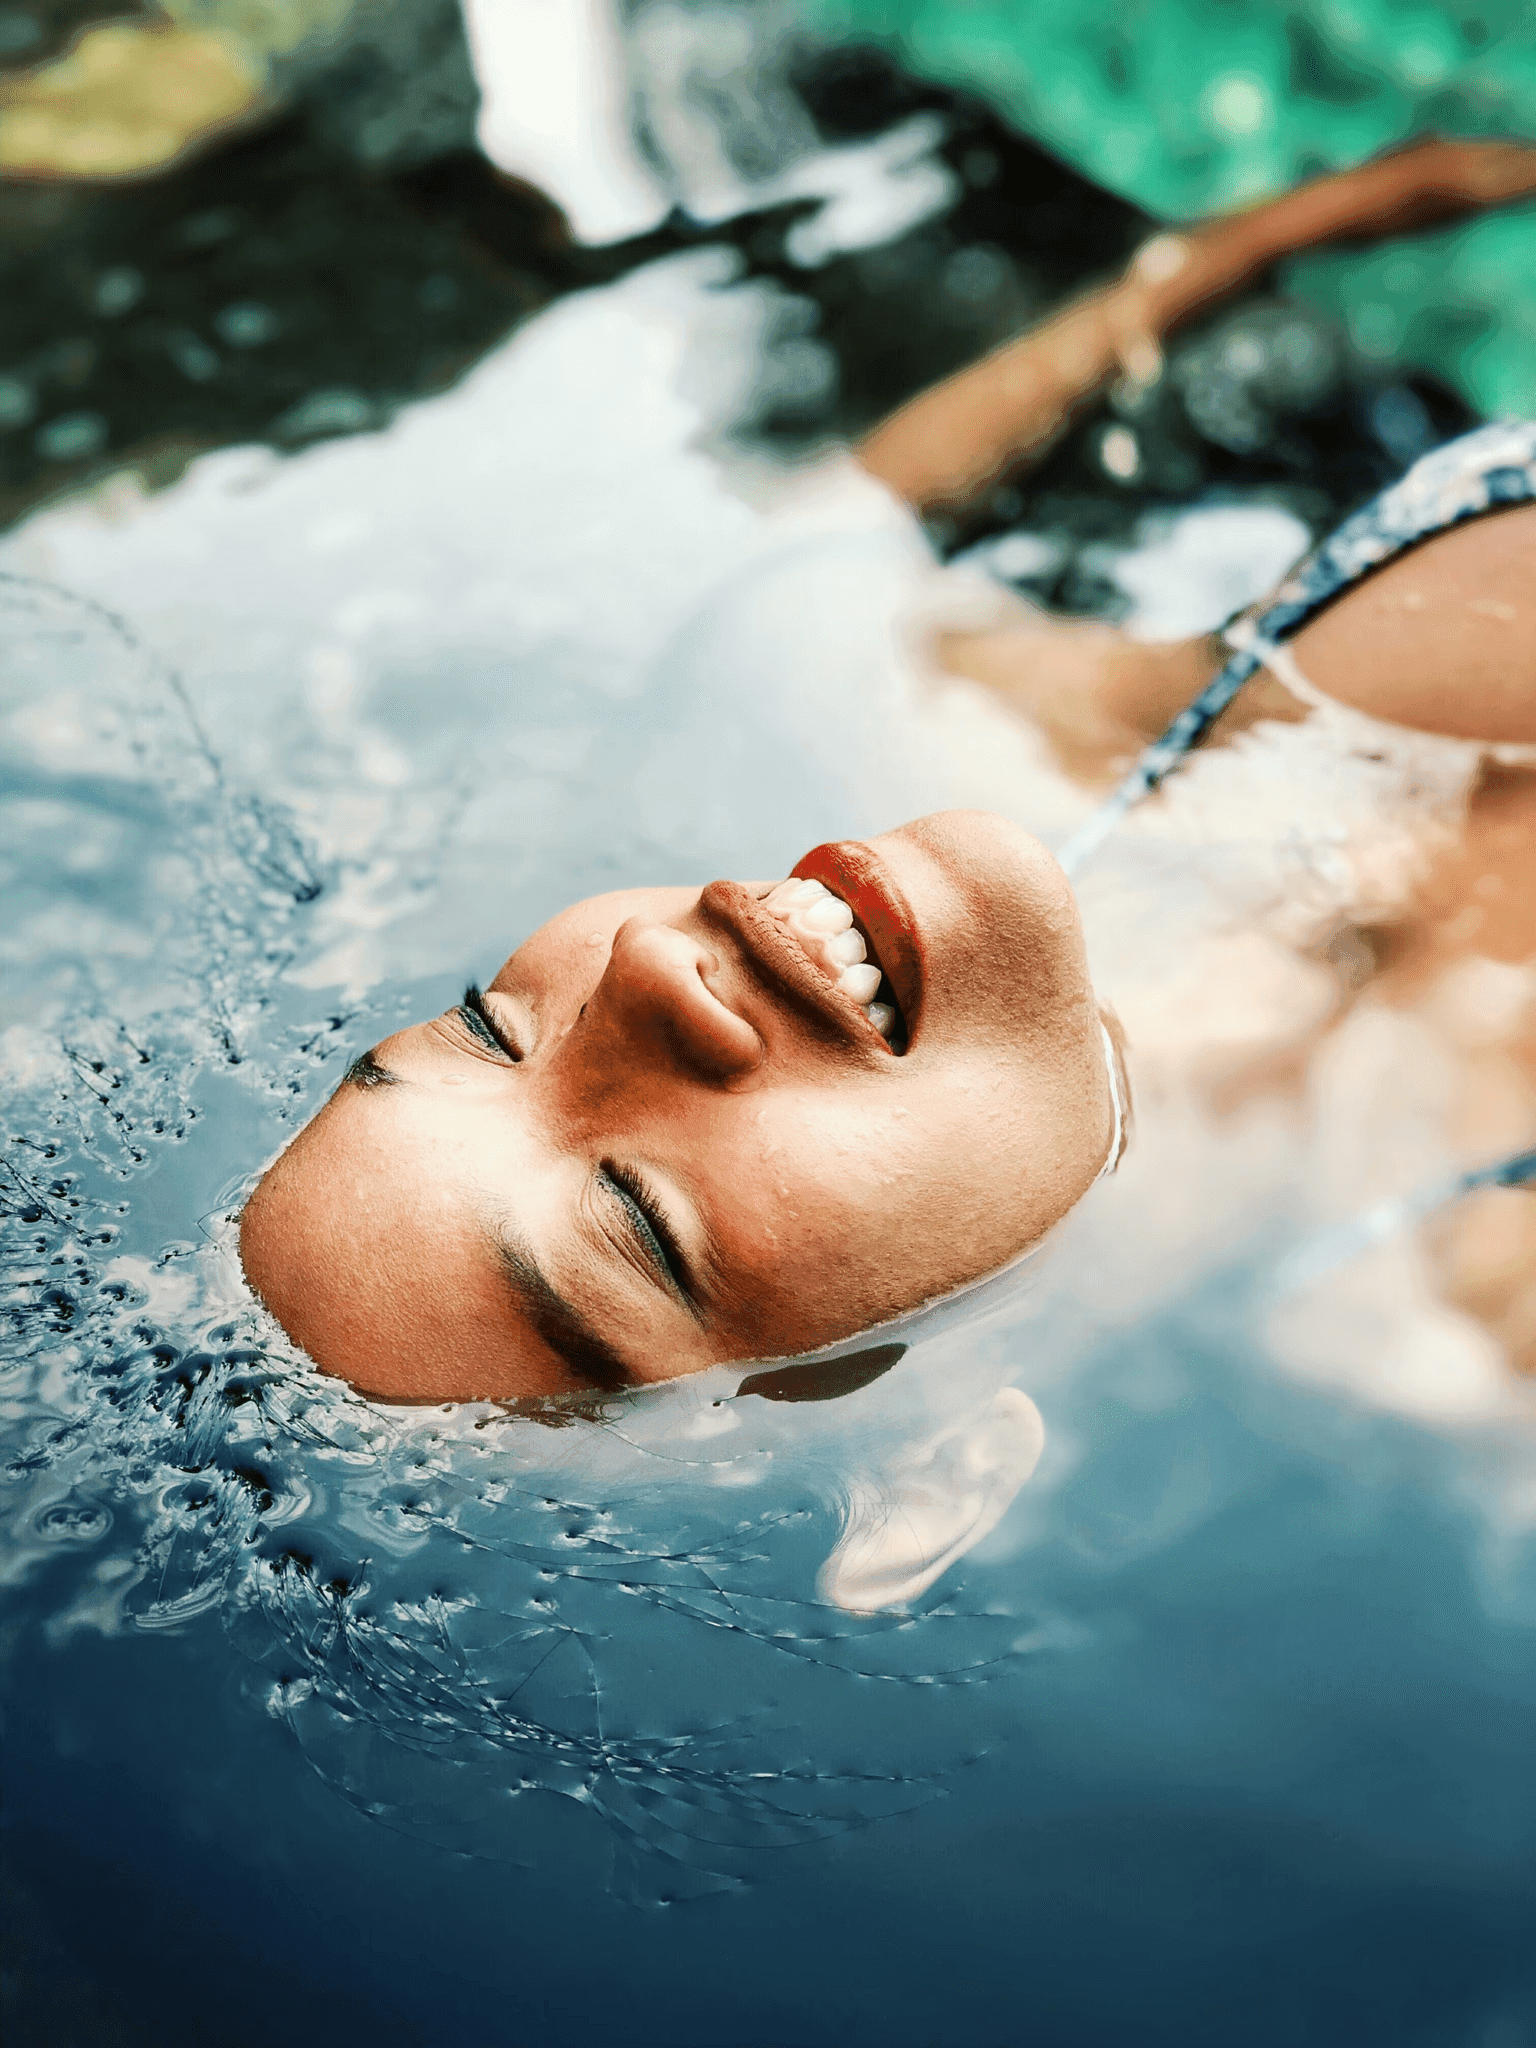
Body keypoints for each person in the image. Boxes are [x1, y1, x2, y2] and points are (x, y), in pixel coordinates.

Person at [238, 136, 1536, 1403]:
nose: (641, 968)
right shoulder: (1475, 1290)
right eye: (635, 1220)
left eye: (486, 1028)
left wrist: (1273, 233)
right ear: (944, 1471)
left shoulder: (926, 714)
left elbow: (859, 520)